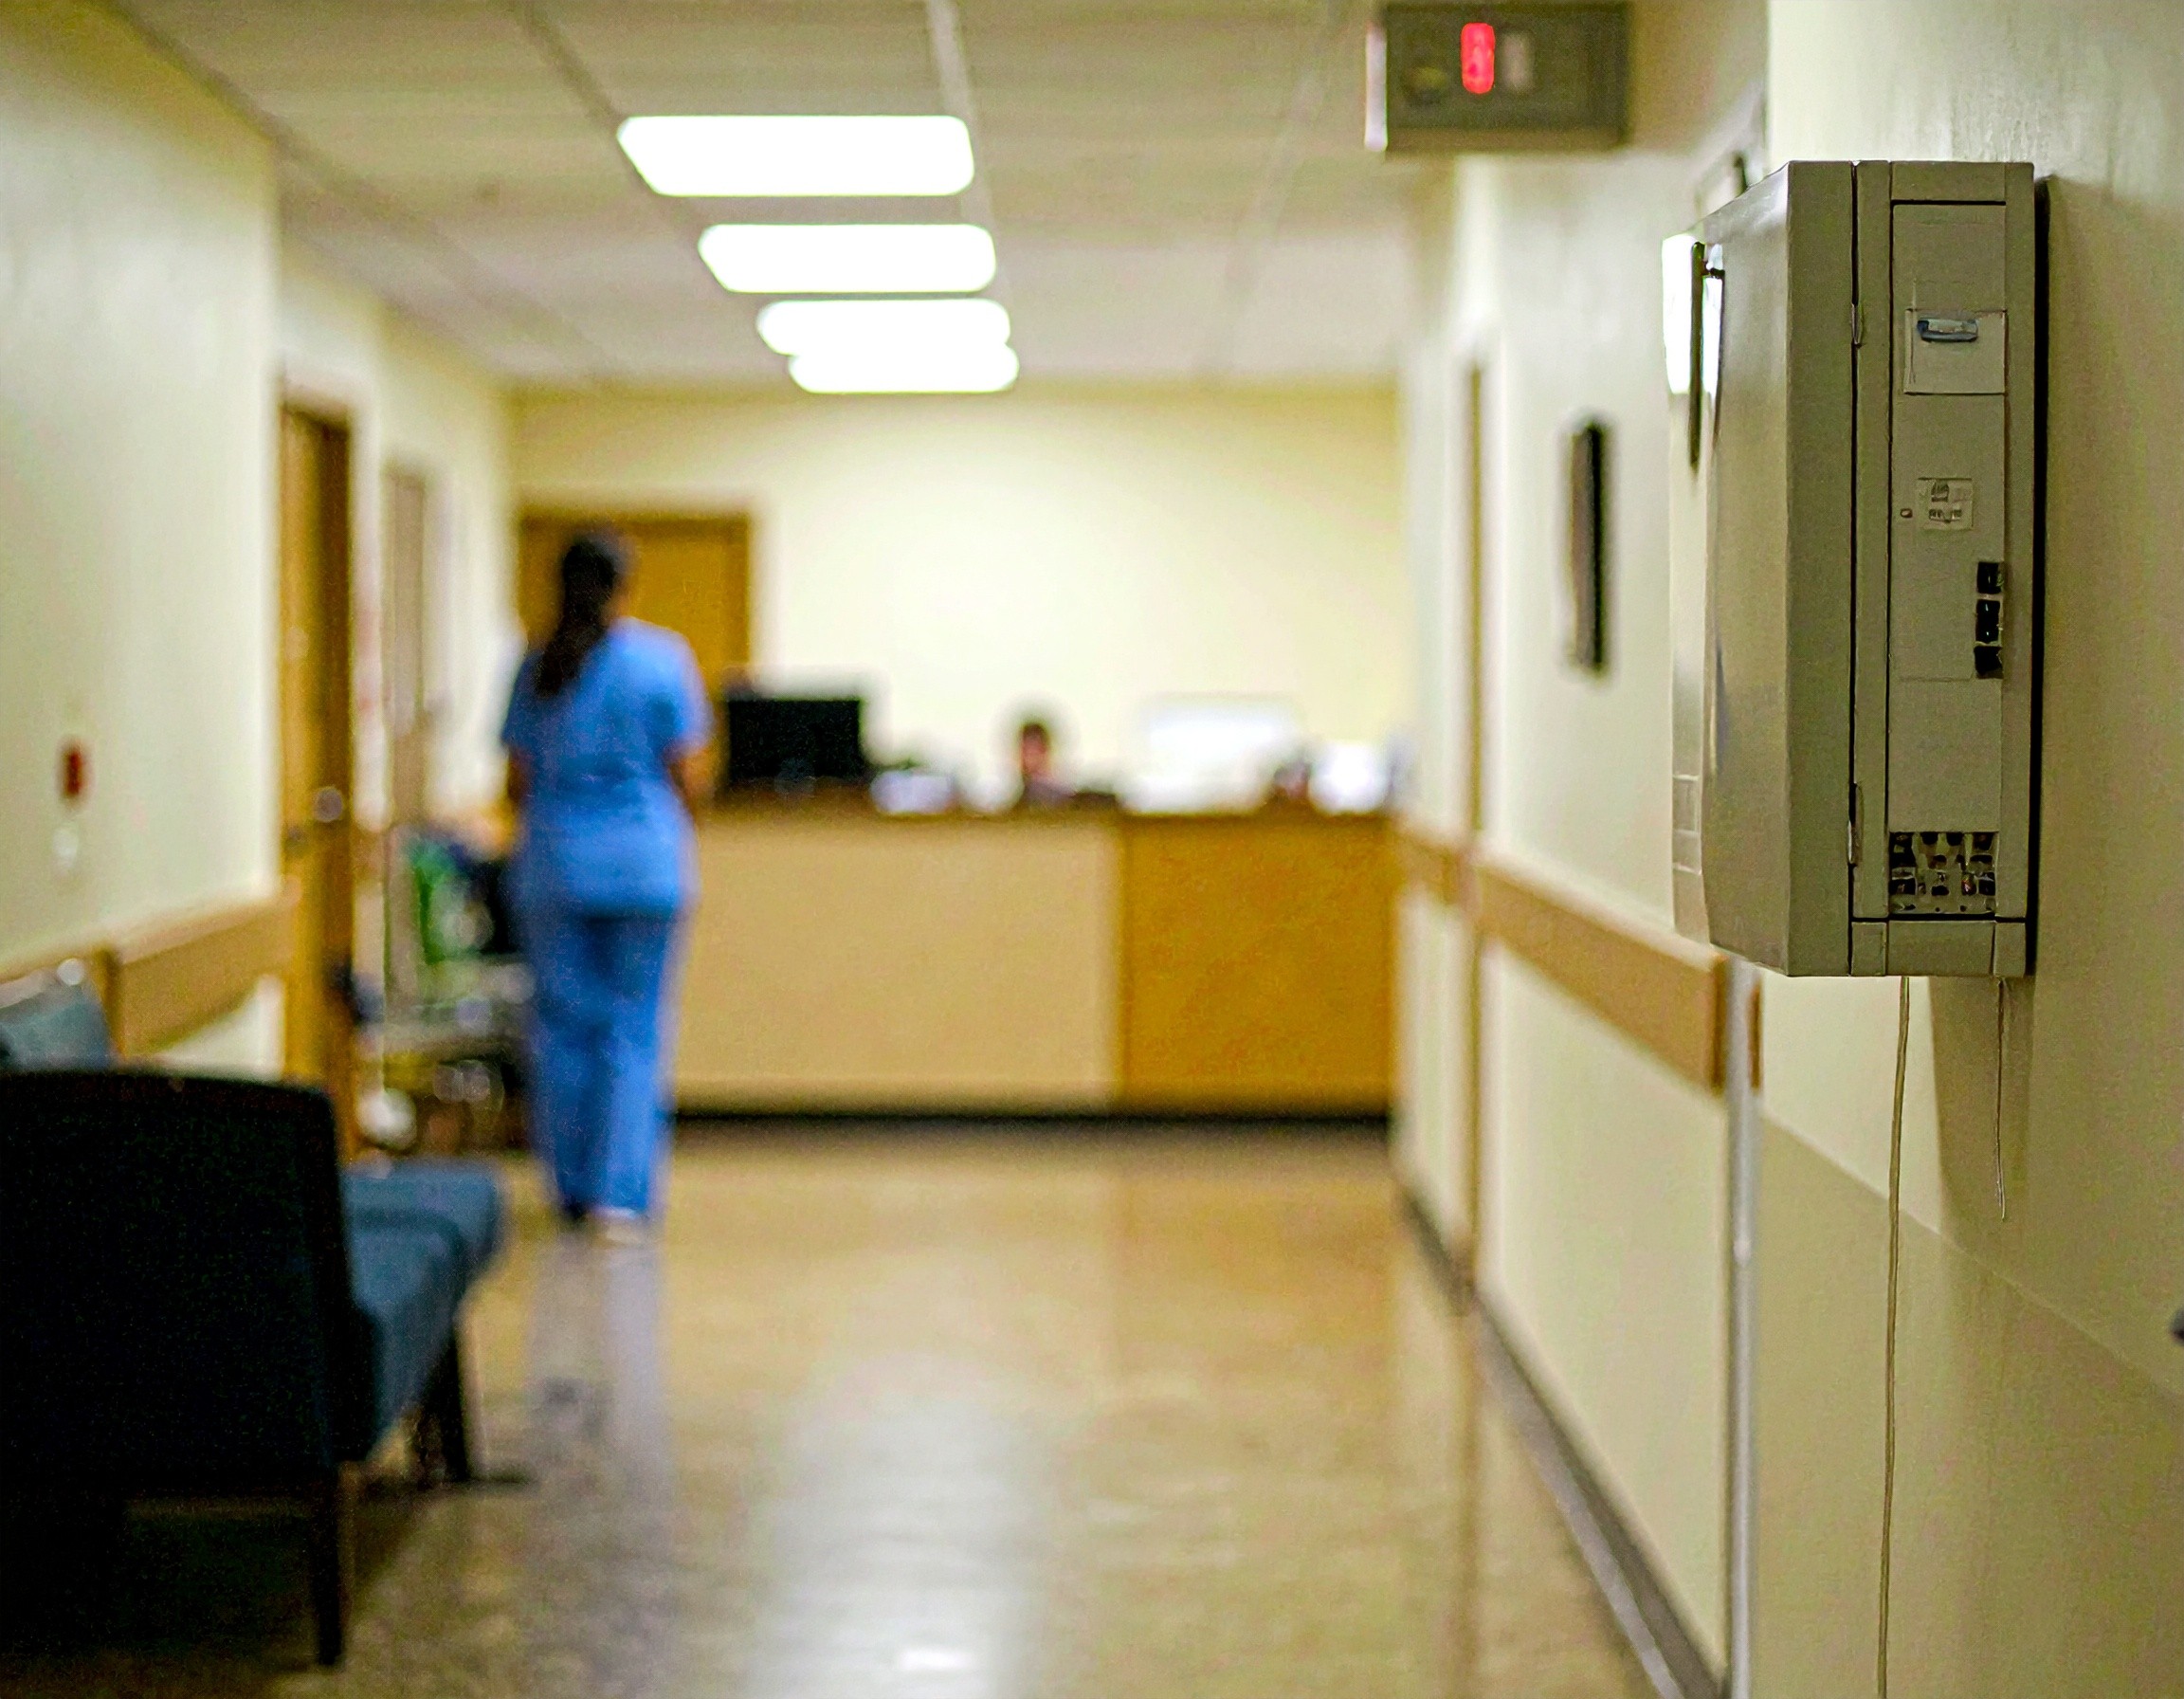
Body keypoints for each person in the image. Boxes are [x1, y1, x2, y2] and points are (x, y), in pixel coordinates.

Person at [501, 532, 710, 1243]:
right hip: (645, 871)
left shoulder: (537, 665)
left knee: (562, 1030)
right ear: (624, 586)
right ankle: (619, 1198)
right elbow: (688, 775)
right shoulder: (660, 661)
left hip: (556, 868)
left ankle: (571, 1188)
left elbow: (517, 781)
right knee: (633, 1029)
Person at [1012, 714, 1074, 808]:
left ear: (1044, 750)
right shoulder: (1026, 794)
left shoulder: (1043, 794)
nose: (1024, 758)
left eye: (1029, 751)